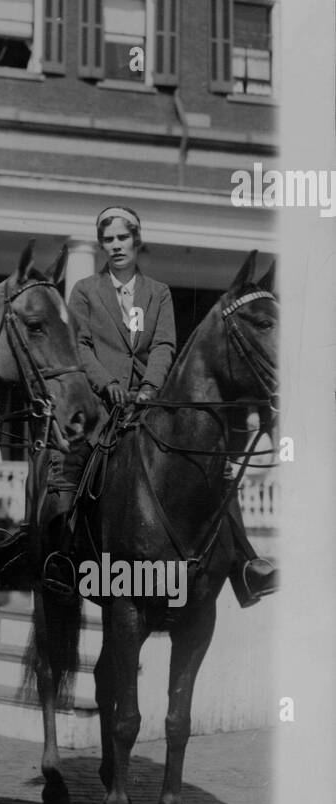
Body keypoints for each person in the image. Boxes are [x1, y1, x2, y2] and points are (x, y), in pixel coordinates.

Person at [41, 205, 276, 607]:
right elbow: (79, 346)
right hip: (101, 403)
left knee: (214, 465)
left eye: (122, 238)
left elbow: (165, 344)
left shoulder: (159, 293)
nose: (115, 246)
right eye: (108, 240)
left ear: (137, 240)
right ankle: (63, 556)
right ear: (101, 245)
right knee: (74, 462)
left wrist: (150, 386)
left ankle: (244, 563)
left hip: (150, 402)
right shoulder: (84, 291)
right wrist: (108, 383)